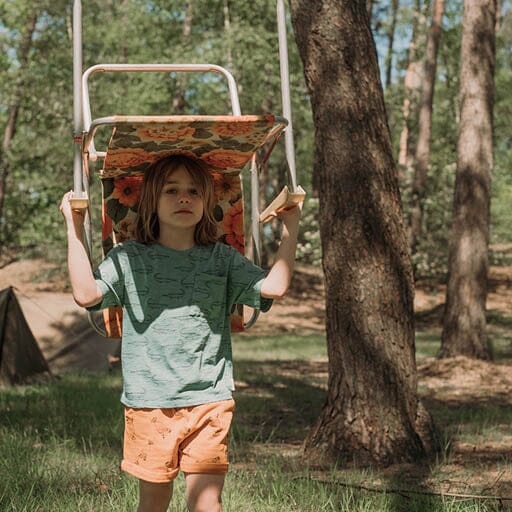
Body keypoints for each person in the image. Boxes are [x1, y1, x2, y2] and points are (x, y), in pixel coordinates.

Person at [60, 154, 302, 512]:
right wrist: (74, 229)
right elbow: (86, 294)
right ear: (152, 202)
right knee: (154, 504)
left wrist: (290, 229)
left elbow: (275, 287)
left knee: (207, 504)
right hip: (150, 402)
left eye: (193, 191)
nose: (184, 198)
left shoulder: (221, 259)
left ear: (206, 203)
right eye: (171, 190)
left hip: (210, 399)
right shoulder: (129, 258)